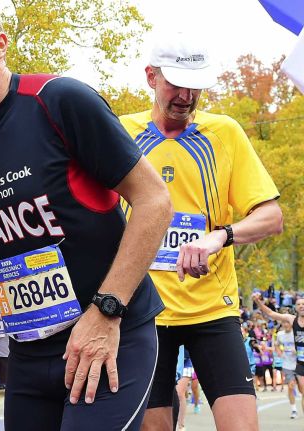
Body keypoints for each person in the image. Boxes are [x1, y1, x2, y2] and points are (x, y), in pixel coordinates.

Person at [0, 1, 173, 429]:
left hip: (108, 336)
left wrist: (106, 310)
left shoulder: (58, 100)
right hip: (29, 355)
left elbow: (154, 200)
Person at [118, 33, 284, 431]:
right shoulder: (120, 133)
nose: (187, 95)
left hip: (212, 308)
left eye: (196, 85)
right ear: (150, 77)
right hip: (143, 313)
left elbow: (271, 216)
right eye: (176, 82)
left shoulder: (223, 133)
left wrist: (219, 236)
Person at [255, 295, 304, 419]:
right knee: (296, 387)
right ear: (296, 307)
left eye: (303, 304)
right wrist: (258, 302)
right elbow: (271, 313)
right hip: (297, 363)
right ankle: (294, 409)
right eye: (298, 304)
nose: (301, 306)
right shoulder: (292, 320)